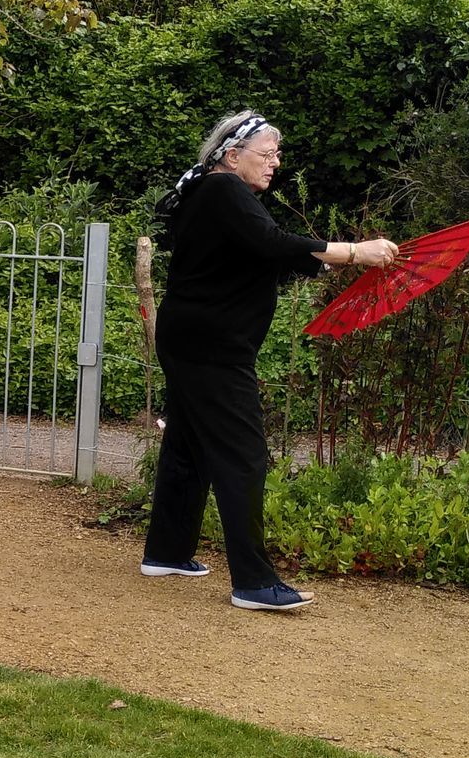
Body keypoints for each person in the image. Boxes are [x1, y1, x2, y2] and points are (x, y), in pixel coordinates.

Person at [142, 111, 398, 613]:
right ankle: (254, 583)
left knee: (188, 447)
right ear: (232, 155)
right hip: (213, 347)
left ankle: (166, 552)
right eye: (267, 153)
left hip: (192, 338)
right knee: (243, 454)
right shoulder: (223, 189)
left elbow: (264, 256)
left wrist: (342, 262)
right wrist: (354, 252)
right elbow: (272, 243)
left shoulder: (211, 194)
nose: (275, 163)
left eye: (278, 154)